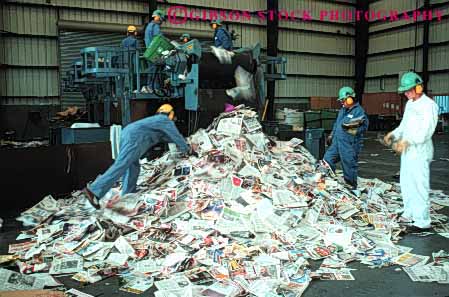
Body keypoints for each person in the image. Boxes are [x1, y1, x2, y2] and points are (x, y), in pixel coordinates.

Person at [84, 104, 190, 209]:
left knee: (133, 167)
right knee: (121, 165)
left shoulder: (156, 121)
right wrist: (187, 150)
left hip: (129, 135)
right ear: (170, 114)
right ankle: (94, 191)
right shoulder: (164, 120)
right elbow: (175, 135)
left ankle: (128, 195)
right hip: (133, 139)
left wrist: (183, 144)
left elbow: (168, 137)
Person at [384, 71, 438, 231]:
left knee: (419, 186)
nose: (406, 93)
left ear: (419, 87)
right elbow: (404, 125)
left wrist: (407, 141)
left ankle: (422, 221)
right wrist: (393, 134)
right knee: (406, 183)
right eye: (405, 91)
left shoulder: (429, 106)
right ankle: (409, 213)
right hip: (407, 152)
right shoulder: (410, 104)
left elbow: (426, 131)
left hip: (420, 152)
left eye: (409, 90)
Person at [323, 86, 369, 191]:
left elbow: (362, 128)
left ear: (350, 99)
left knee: (348, 166)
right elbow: (337, 124)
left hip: (349, 145)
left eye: (343, 100)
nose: (342, 103)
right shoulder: (342, 110)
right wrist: (331, 134)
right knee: (327, 160)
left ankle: (351, 188)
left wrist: (349, 129)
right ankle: (330, 181)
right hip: (337, 142)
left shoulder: (359, 111)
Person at [143, 10, 165, 93]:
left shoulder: (149, 26)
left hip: (149, 52)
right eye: (161, 19)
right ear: (158, 17)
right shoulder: (155, 27)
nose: (161, 22)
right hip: (155, 53)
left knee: (151, 70)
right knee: (156, 70)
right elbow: (159, 39)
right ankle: (155, 88)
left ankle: (150, 86)